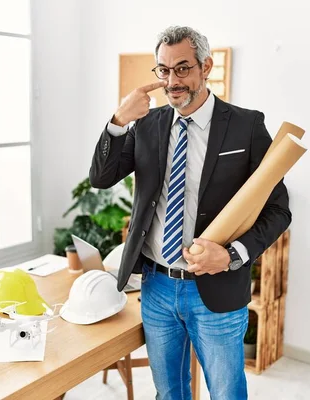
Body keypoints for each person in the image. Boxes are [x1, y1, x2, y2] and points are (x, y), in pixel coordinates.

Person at [89, 25, 291, 399]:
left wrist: (232, 255)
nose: (172, 80)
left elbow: (278, 210)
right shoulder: (147, 125)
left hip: (215, 289)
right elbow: (101, 178)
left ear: (206, 67)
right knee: (169, 394)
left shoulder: (246, 126)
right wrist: (119, 121)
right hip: (157, 288)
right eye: (163, 70)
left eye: (182, 68)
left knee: (227, 394)